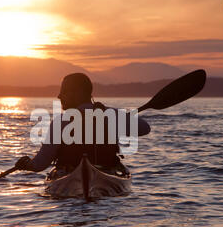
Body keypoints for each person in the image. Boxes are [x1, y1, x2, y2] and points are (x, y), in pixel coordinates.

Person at [15, 73, 150, 172]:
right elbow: (144, 128)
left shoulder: (61, 122)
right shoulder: (109, 114)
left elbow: (39, 165)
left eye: (64, 91)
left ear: (78, 93)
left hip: (69, 175)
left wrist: (26, 165)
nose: (59, 96)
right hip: (107, 173)